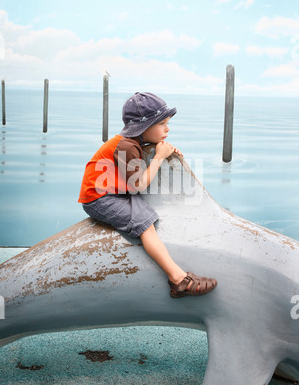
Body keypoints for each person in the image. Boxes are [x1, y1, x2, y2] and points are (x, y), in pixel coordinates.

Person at [78, 92, 217, 298]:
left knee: (148, 212)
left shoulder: (132, 142)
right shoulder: (125, 146)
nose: (167, 129)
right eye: (162, 124)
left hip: (115, 192)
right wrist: (159, 157)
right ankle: (178, 279)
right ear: (145, 127)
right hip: (99, 198)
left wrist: (164, 151)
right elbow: (138, 185)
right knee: (145, 224)